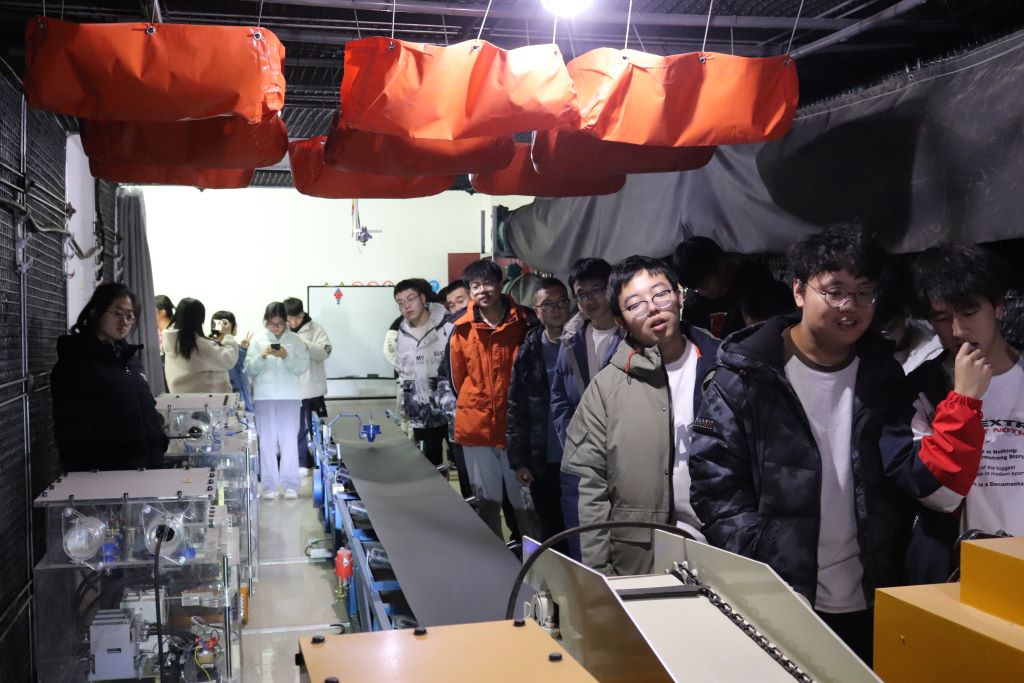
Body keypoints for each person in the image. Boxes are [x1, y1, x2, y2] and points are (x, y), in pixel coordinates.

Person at [688, 225, 988, 664]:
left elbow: (908, 477)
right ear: (798, 291)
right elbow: (715, 485)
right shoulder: (746, 375)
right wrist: (760, 561)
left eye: (864, 293)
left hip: (875, 594)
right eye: (835, 291)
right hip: (782, 596)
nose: (851, 306)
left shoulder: (883, 374)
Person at [561, 256, 719, 576]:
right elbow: (588, 486)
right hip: (639, 559)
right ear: (620, 321)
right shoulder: (606, 390)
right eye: (635, 304)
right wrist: (599, 574)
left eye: (660, 294)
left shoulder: (725, 369)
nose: (652, 308)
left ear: (680, 296)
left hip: (723, 551)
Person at [907, 243, 1022, 579]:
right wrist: (963, 400)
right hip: (960, 574)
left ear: (998, 306)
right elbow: (938, 495)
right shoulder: (920, 389)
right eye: (942, 318)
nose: (957, 330)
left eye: (969, 312)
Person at [448, 259, 539, 540]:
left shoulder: (525, 322)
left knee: (526, 507)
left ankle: (532, 562)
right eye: (475, 286)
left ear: (500, 284)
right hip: (477, 428)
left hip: (518, 428)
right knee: (486, 505)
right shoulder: (461, 328)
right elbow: (457, 379)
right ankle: (493, 562)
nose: (482, 290)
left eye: (488, 283)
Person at [51, 283, 168, 472]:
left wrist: (158, 434)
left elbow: (144, 406)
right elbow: (70, 429)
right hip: (107, 475)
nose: (124, 322)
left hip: (148, 469)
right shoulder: (77, 362)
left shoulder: (130, 359)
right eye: (117, 314)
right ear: (95, 313)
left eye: (129, 316)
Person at [507, 277, 572, 545]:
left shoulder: (583, 344)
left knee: (581, 528)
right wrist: (519, 460)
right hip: (543, 458)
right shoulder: (529, 350)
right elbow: (516, 406)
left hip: (579, 456)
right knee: (551, 529)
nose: (555, 309)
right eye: (547, 304)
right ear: (537, 311)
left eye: (561, 302)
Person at [549, 258, 624, 447]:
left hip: (625, 440)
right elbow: (559, 396)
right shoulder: (570, 339)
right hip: (584, 445)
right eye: (581, 294)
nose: (589, 300)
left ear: (611, 288)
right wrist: (571, 440)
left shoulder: (631, 335)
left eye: (596, 290)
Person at [245, 302, 311, 501]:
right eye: (271, 324)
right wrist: (262, 356)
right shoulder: (258, 340)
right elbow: (248, 369)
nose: (275, 328)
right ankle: (269, 487)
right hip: (264, 397)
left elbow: (302, 367)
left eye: (280, 324)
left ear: (286, 322)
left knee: (289, 441)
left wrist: (286, 356)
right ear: (265, 322)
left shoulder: (295, 340)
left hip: (289, 396)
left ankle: (291, 485)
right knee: (266, 442)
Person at [392, 279, 455, 467]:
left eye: (411, 299)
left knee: (462, 464)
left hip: (453, 409)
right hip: (421, 412)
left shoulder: (448, 325)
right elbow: (402, 370)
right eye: (400, 302)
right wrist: (405, 404)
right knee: (429, 466)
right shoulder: (402, 332)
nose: (406, 306)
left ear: (423, 298)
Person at [672, 236, 771, 338]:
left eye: (705, 284)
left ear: (721, 264)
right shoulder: (695, 298)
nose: (702, 292)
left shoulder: (753, 285)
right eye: (695, 288)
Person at [284, 297, 333, 475]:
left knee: (320, 428)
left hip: (312, 388)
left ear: (303, 313)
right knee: (296, 429)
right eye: (290, 318)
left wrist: (304, 344)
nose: (293, 322)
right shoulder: (280, 330)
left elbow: (324, 352)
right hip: (290, 390)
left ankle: (326, 461)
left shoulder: (315, 329)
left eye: (297, 317)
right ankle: (303, 462)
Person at [162, 298, 239, 393]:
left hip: (180, 398)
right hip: (208, 399)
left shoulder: (171, 340)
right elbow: (229, 359)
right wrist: (228, 335)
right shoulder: (199, 344)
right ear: (200, 319)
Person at [210, 310, 254, 413]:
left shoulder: (229, 346)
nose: (236, 327)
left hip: (239, 400)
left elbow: (242, 368)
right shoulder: (215, 347)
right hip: (228, 401)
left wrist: (242, 349)